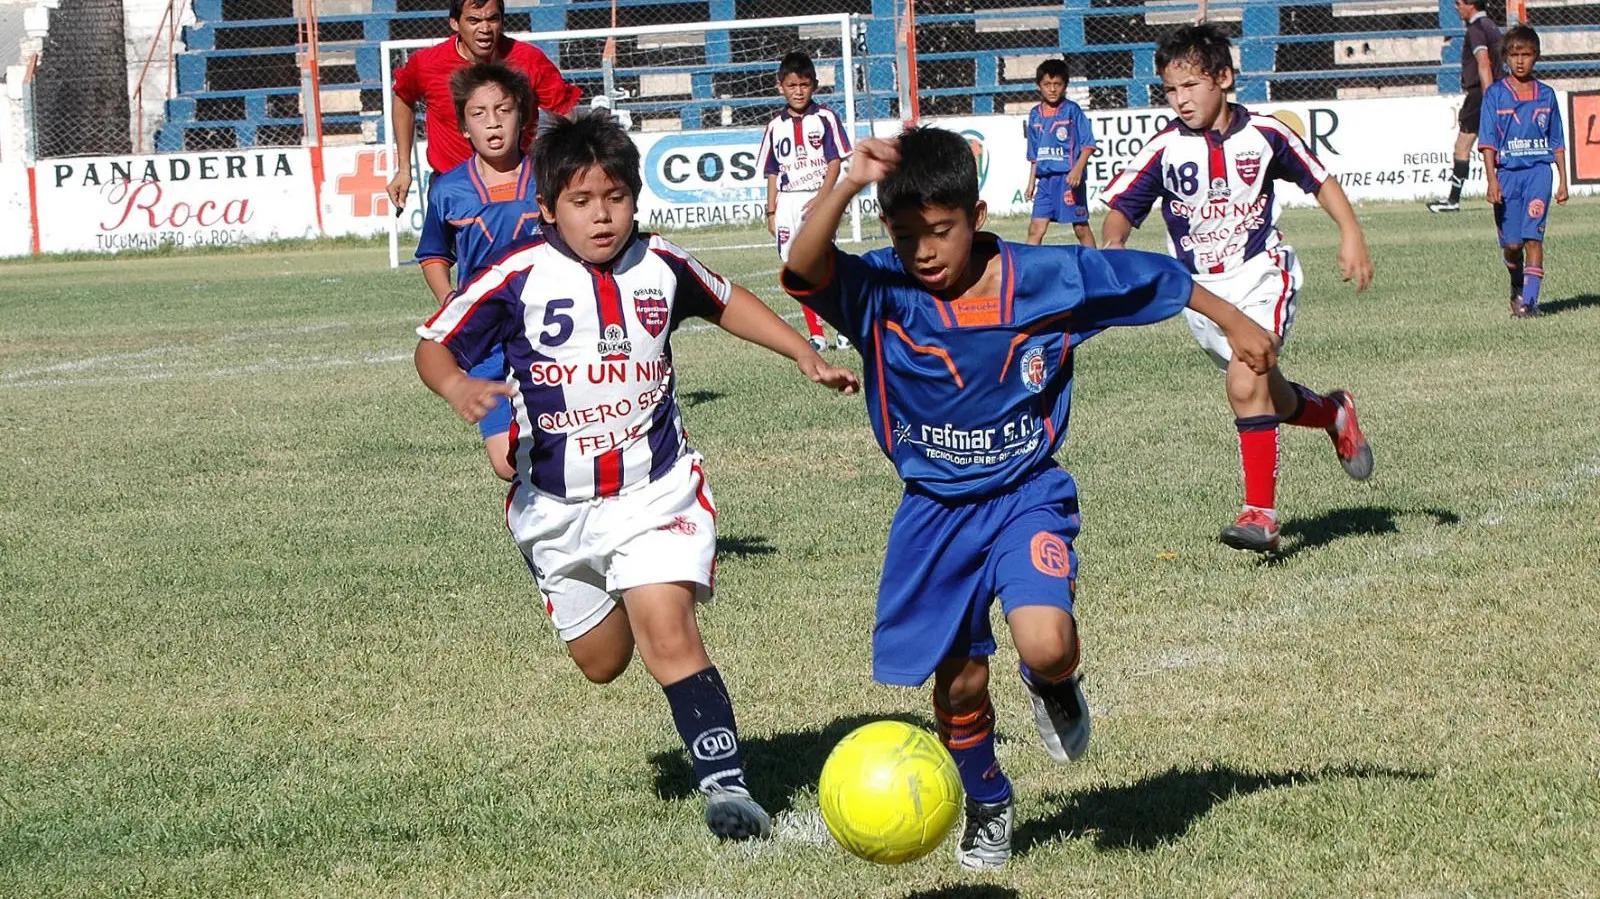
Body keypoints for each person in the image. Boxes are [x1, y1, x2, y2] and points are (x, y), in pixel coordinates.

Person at [781, 125, 1277, 869]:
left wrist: (1235, 321)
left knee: (1046, 640)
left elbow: (1147, 275)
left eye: (941, 232)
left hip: (1025, 494)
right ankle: (986, 801)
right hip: (932, 513)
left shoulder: (1044, 276)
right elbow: (802, 267)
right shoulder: (878, 288)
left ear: (977, 216)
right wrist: (846, 183)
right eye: (906, 233)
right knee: (958, 680)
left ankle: (1054, 684)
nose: (923, 251)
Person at [415, 109, 858, 841]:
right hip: (556, 508)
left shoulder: (661, 264)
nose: (602, 216)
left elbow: (724, 300)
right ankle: (605, 588)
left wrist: (800, 353)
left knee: (667, 626)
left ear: (636, 198)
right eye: (582, 201)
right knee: (602, 661)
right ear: (547, 208)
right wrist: (458, 387)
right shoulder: (515, 274)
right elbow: (435, 342)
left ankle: (727, 787)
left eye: (615, 198)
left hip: (656, 490)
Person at [1101, 23, 1375, 554]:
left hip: (1260, 274)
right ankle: (1335, 412)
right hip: (1202, 295)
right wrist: (1114, 247)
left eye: (1192, 86)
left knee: (1245, 380)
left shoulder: (1267, 134)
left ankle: (1261, 516)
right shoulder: (1163, 149)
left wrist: (1351, 233)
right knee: (1269, 395)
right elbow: (1122, 212)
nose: (1181, 101)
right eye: (1171, 91)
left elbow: (1320, 180)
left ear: (1224, 78)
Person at [415, 63, 543, 480]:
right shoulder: (448, 190)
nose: (493, 123)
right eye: (479, 114)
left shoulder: (550, 176)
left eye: (503, 110)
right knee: (508, 465)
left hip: (548, 325)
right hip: (487, 334)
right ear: (464, 127)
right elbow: (434, 253)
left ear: (521, 116)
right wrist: (449, 298)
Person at [386, 0, 582, 212]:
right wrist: (404, 168)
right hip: (454, 189)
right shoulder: (426, 64)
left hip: (519, 188)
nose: (485, 29)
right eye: (474, 20)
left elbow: (564, 114)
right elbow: (403, 99)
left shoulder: (529, 60)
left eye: (492, 19)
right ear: (454, 23)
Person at [758, 50, 853, 352]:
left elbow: (834, 163)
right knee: (795, 267)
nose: (798, 91)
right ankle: (817, 335)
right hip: (787, 203)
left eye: (804, 85)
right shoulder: (775, 126)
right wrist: (771, 210)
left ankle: (844, 327)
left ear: (814, 85)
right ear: (780, 87)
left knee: (824, 263)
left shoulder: (825, 118)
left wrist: (823, 200)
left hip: (818, 199)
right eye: (791, 85)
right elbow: (772, 171)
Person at [1479, 25, 1567, 318]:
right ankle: (1516, 282)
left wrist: (1563, 181)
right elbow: (1488, 142)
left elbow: (1557, 141)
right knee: (1512, 245)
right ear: (1505, 57)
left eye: (1526, 55)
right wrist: (1492, 180)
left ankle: (1529, 304)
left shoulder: (1547, 95)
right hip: (1507, 176)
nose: (1520, 61)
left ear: (1536, 57)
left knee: (1534, 239)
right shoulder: (1495, 95)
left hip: (1538, 173)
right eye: (1515, 55)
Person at [1429, 0, 1504, 213]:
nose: (1456, 7)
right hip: (1495, 91)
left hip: (1481, 94)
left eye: (1459, 3)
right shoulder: (1491, 25)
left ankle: (1453, 200)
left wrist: (1488, 96)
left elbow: (1483, 62)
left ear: (1470, 4)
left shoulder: (1476, 29)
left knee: (1462, 146)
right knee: (1495, 145)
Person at [1023, 58, 1097, 247]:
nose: (1052, 89)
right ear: (1039, 86)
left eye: (1057, 84)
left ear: (1065, 86)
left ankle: (1097, 266)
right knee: (1036, 228)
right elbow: (1034, 153)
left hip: (1068, 179)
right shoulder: (1034, 114)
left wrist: (1077, 170)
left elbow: (1088, 145)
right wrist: (1031, 181)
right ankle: (1030, 271)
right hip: (1045, 181)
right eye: (1047, 84)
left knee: (1080, 228)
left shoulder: (1072, 111)